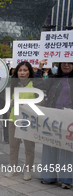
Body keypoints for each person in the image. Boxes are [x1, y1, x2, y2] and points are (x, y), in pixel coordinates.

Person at [33, 60, 73, 189]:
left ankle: (66, 179)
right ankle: (48, 177)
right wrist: (40, 68)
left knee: (67, 148)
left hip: (69, 120)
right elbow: (37, 84)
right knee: (49, 146)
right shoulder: (53, 79)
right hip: (52, 119)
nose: (66, 65)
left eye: (70, 63)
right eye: (63, 63)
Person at [5, 61, 35, 181]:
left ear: (29, 72)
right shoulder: (13, 84)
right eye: (20, 70)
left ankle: (27, 170)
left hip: (28, 120)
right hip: (14, 118)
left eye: (25, 70)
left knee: (29, 147)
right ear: (17, 72)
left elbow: (40, 101)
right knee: (13, 145)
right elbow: (8, 102)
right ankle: (13, 168)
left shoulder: (34, 85)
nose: (22, 73)